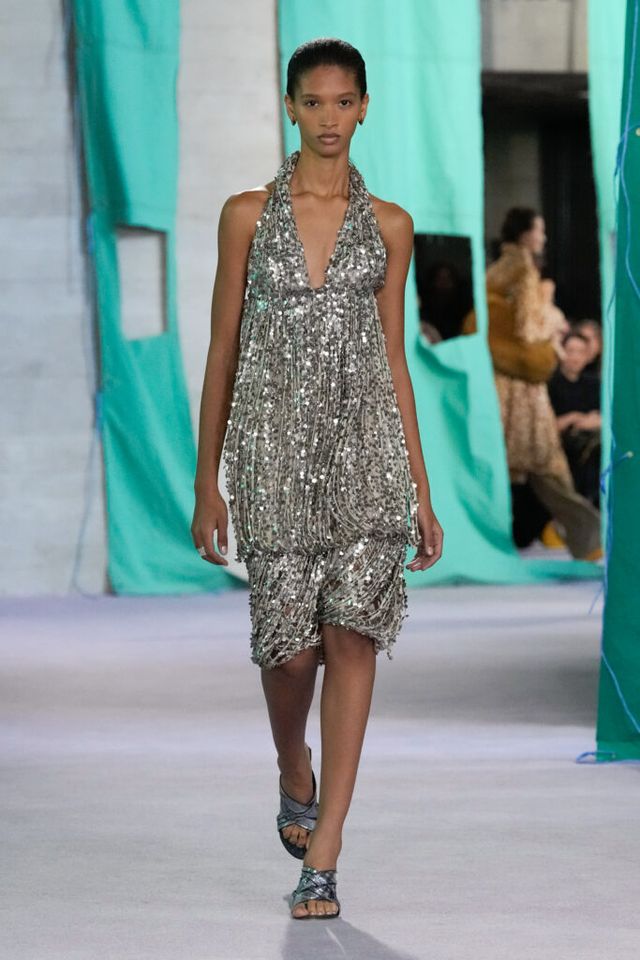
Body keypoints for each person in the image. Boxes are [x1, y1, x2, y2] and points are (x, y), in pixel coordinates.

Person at [190, 38, 443, 921]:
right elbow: (222, 350)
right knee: (289, 652)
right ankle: (291, 765)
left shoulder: (392, 227)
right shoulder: (245, 215)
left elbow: (395, 360)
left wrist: (420, 488)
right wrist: (207, 481)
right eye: (313, 102)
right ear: (290, 106)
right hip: (270, 458)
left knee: (352, 639)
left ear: (364, 107)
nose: (329, 118)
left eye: (343, 102)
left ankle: (325, 850)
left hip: (366, 455)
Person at [484, 207, 601, 560]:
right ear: (525, 235)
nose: (544, 237)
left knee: (509, 466)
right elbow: (529, 328)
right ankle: (588, 539)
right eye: (540, 230)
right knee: (549, 465)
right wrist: (552, 314)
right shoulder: (523, 269)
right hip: (524, 385)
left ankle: (567, 537)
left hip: (502, 381)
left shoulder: (497, 269)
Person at [548, 331, 602, 506]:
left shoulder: (594, 383)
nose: (575, 357)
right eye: (570, 351)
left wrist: (588, 422)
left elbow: (603, 417)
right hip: (560, 448)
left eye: (580, 352)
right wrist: (572, 418)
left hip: (589, 446)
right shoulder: (550, 383)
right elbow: (547, 425)